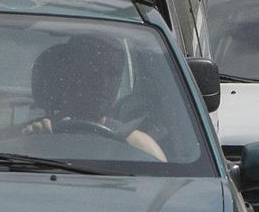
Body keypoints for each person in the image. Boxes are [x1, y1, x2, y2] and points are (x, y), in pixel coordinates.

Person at [22, 36, 166, 160]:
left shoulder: (140, 149)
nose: (103, 82)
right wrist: (33, 147)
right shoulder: (27, 138)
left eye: (113, 73)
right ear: (67, 74)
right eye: (92, 70)